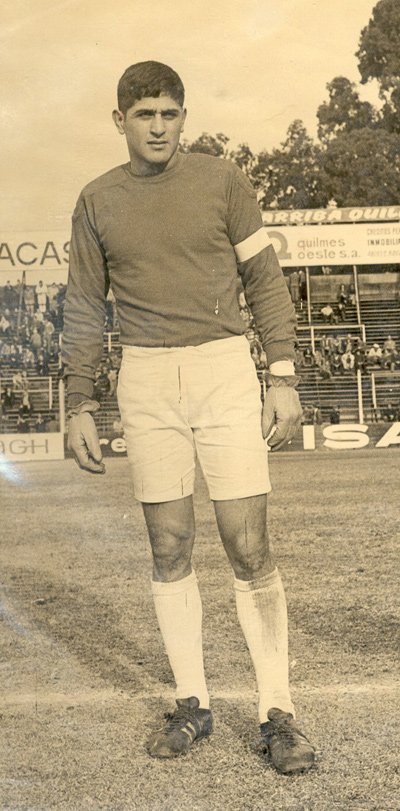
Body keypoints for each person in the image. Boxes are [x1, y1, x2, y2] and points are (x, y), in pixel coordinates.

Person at [62, 60, 315, 775]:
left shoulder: (222, 180)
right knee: (169, 544)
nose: (158, 127)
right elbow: (83, 306)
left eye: (169, 114)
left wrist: (282, 375)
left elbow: (264, 280)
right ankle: (192, 702)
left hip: (223, 367)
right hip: (145, 376)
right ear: (120, 121)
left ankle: (278, 712)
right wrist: (79, 401)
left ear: (184, 117)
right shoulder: (97, 199)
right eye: (144, 115)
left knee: (247, 542)